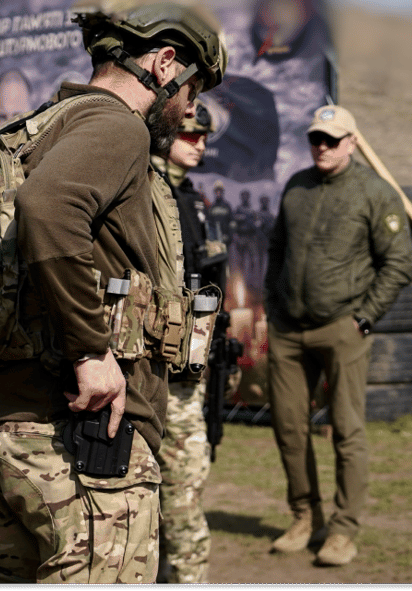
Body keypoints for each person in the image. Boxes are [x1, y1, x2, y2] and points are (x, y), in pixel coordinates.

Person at [0, 0, 226, 584]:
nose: (189, 110)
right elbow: (48, 206)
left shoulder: (43, 127)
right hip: (84, 445)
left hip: (5, 429)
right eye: (192, 91)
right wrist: (90, 351)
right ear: (164, 63)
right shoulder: (116, 126)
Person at [263, 104, 412, 567]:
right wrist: (272, 306)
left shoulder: (375, 192)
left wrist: (364, 319)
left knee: (346, 431)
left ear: (352, 142)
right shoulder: (296, 185)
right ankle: (305, 517)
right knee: (289, 428)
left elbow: (400, 263)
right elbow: (276, 250)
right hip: (289, 331)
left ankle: (343, 530)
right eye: (316, 138)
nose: (322, 147)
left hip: (343, 328)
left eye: (331, 139)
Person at [151, 100, 227, 584]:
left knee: (183, 481)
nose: (199, 145)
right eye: (190, 135)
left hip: (189, 361)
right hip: (157, 363)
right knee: (180, 485)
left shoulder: (189, 196)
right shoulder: (148, 191)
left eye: (203, 137)